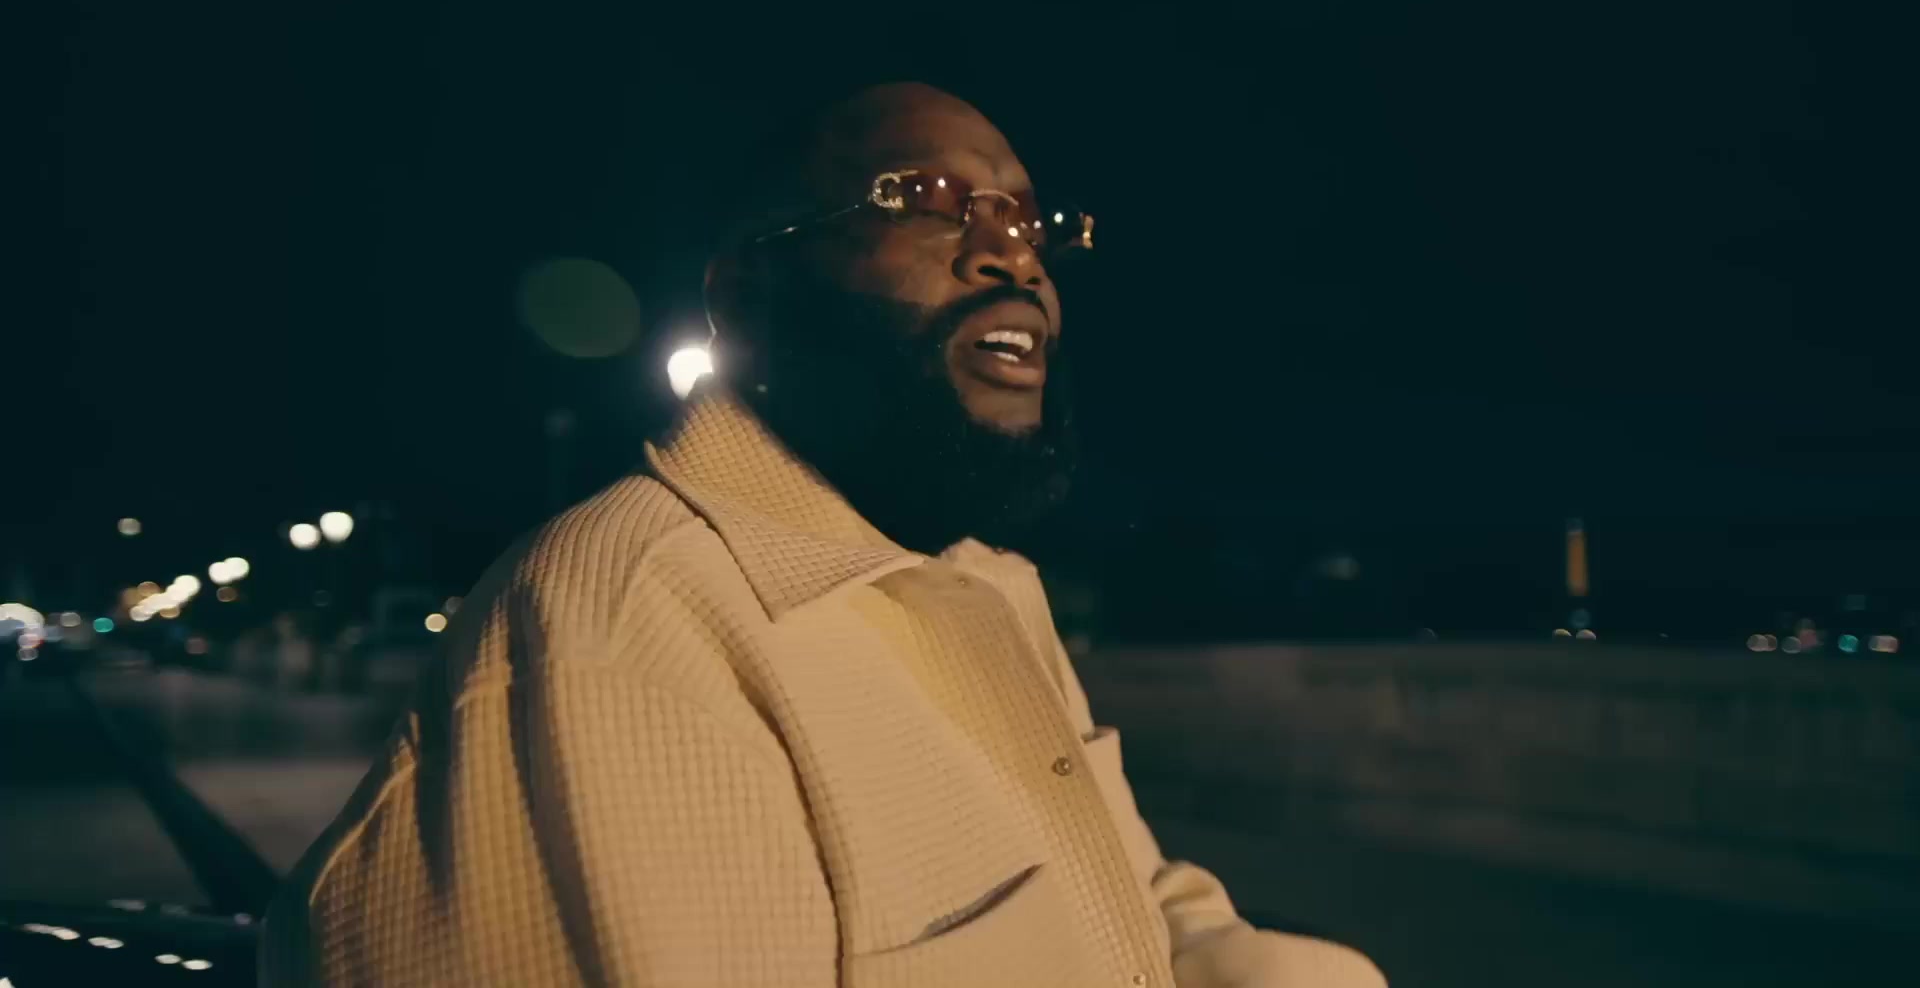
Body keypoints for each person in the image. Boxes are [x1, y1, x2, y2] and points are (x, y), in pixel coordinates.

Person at [260, 82, 1386, 987]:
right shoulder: (625, 625)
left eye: (1028, 220)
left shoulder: (987, 586)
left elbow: (1133, 906)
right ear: (746, 298)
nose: (1013, 255)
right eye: (930, 200)